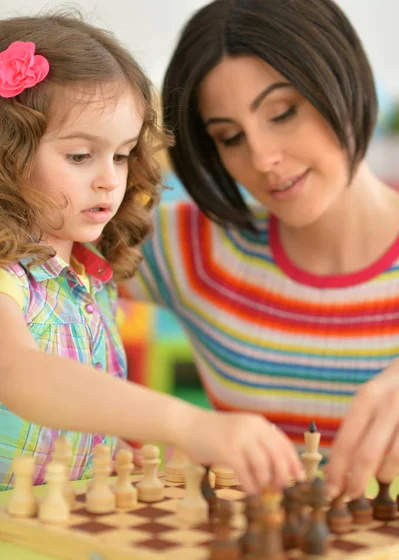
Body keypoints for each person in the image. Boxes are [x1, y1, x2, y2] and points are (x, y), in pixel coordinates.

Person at [0, 12, 304, 494]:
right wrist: (188, 425)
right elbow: (19, 373)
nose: (109, 179)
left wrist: (104, 448)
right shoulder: (6, 280)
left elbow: (73, 408)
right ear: (7, 154)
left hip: (56, 518)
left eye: (120, 155)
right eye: (80, 156)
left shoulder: (88, 275)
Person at [127, 0, 399, 500]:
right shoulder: (190, 248)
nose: (263, 158)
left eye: (283, 112)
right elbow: (26, 246)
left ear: (344, 78)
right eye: (229, 137)